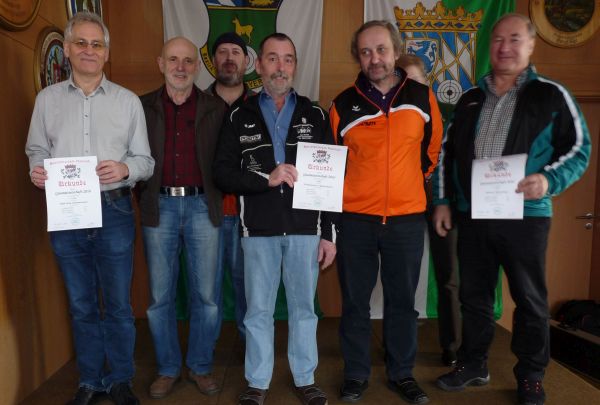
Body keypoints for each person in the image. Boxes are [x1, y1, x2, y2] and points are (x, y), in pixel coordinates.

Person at [433, 13, 590, 405]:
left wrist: (549, 180)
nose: (504, 47)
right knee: (474, 297)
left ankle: (532, 376)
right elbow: (446, 154)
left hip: (526, 216)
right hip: (474, 216)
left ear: (531, 45)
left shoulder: (551, 95)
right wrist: (444, 202)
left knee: (530, 300)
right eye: (498, 39)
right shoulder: (470, 98)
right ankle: (473, 364)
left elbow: (579, 148)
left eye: (515, 39)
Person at [25, 11, 154, 405]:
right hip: (66, 212)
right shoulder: (46, 100)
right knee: (81, 304)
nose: (88, 50)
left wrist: (126, 168)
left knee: (117, 304)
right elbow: (36, 149)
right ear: (66, 49)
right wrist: (36, 169)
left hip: (114, 209)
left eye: (96, 44)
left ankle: (120, 380)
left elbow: (146, 161)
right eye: (80, 42)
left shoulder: (127, 102)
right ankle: (90, 381)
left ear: (106, 53)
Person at [213, 32, 336, 405]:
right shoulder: (239, 115)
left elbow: (332, 178)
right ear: (259, 65)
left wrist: (329, 234)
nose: (280, 67)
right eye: (272, 58)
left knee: (304, 310)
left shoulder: (315, 114)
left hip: (305, 230)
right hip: (258, 231)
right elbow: (222, 173)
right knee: (258, 312)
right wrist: (264, 179)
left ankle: (305, 378)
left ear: (295, 66)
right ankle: (257, 382)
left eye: (287, 59)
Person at [330, 20, 443, 404]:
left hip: (406, 219)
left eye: (381, 49)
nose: (374, 58)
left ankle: (402, 374)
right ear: (358, 57)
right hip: (355, 219)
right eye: (365, 52)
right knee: (355, 303)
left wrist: (407, 186)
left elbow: (431, 153)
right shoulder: (342, 104)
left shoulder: (423, 97)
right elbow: (334, 162)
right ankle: (356, 374)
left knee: (402, 303)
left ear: (395, 51)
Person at [137, 37, 227, 399]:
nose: (180, 67)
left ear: (197, 66)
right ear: (160, 64)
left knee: (206, 296)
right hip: (159, 207)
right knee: (160, 297)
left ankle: (201, 366)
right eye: (173, 59)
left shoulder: (216, 108)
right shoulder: (141, 107)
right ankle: (168, 368)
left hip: (203, 206)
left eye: (188, 61)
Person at [396, 54, 461, 368]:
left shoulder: (450, 113)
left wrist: (446, 198)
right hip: (404, 200)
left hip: (442, 201)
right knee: (401, 277)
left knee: (448, 276)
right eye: (403, 82)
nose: (409, 87)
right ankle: (397, 345)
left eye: (415, 81)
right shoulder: (392, 115)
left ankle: (453, 347)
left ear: (427, 81)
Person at [204, 32, 254, 339]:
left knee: (247, 287)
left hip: (250, 212)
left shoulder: (261, 104)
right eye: (223, 52)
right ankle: (205, 354)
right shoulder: (198, 103)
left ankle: (252, 353)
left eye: (236, 52)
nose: (229, 58)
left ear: (247, 61)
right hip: (206, 211)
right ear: (213, 61)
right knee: (206, 290)